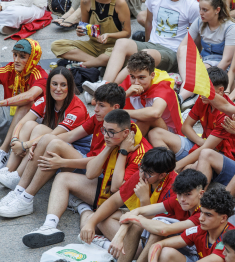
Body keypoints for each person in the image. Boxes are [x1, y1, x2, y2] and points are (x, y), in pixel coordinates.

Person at [19, 110, 152, 247]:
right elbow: (90, 173)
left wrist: (123, 152)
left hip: (128, 203)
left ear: (125, 133)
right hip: (109, 189)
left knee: (95, 223)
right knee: (63, 178)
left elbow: (116, 188)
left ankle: (86, 211)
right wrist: (108, 148)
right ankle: (49, 226)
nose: (105, 135)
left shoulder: (139, 152)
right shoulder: (114, 138)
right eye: (104, 130)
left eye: (110, 132)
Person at [0, 83, 125, 218]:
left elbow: (97, 164)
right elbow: (70, 135)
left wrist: (63, 162)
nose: (95, 109)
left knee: (55, 145)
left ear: (115, 108)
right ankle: (19, 190)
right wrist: (37, 143)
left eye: (101, 105)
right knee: (48, 138)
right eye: (53, 84)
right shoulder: (98, 118)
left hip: (96, 174)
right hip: (86, 162)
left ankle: (26, 198)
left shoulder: (119, 131)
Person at [23, 147, 174, 248]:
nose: (142, 175)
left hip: (151, 234)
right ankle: (83, 212)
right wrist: (91, 223)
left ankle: (97, 229)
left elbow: (151, 226)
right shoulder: (143, 174)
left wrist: (144, 199)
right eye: (142, 169)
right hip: (132, 216)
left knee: (134, 248)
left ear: (162, 175)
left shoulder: (174, 187)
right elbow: (115, 200)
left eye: (148, 173)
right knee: (90, 224)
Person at [0, 67, 89, 209]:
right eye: (54, 84)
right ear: (49, 86)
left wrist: (25, 145)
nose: (58, 89)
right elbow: (23, 122)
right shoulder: (46, 99)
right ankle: (10, 171)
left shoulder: (76, 108)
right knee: (30, 124)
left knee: (41, 130)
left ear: (70, 86)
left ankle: (19, 178)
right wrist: (15, 139)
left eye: (63, 85)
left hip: (75, 155)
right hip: (52, 146)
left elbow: (53, 136)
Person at [81, 0, 199, 92]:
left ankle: (106, 90)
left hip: (172, 53)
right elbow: (148, 23)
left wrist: (190, 64)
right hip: (153, 45)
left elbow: (197, 36)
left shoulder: (192, 6)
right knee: (122, 43)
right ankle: (104, 83)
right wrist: (148, 44)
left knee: (144, 54)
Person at [149, 67, 235, 172]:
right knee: (155, 133)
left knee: (189, 168)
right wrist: (200, 141)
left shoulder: (227, 114)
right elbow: (185, 127)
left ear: (220, 90)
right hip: (203, 144)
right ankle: (169, 165)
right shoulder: (203, 99)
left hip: (222, 155)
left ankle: (171, 170)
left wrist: (177, 166)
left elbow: (207, 149)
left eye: (206, 89)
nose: (201, 93)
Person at [107, 169, 207, 262]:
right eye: (179, 194)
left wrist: (134, 218)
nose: (182, 199)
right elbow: (139, 210)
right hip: (180, 245)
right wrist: (120, 234)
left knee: (157, 231)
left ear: (201, 194)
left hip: (196, 257)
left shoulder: (204, 213)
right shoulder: (179, 200)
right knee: (138, 223)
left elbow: (164, 230)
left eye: (188, 194)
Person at [147, 187, 235, 262]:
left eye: (208, 215)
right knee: (166, 253)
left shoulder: (233, 237)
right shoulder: (198, 230)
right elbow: (158, 244)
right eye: (201, 212)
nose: (201, 218)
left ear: (223, 218)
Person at [177, 0, 235, 109]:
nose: (200, 12)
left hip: (220, 67)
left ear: (217, 10)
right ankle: (189, 88)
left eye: (205, 10)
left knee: (201, 68)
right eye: (200, 9)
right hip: (203, 61)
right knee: (183, 49)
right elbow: (183, 45)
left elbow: (226, 61)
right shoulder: (199, 21)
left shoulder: (230, 27)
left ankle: (181, 96)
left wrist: (205, 73)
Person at [0, 39, 47, 169]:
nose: (16, 60)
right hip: (12, 118)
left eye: (22, 57)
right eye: (15, 55)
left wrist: (2, 103)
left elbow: (30, 96)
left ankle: (3, 152)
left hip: (34, 124)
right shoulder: (10, 68)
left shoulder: (40, 75)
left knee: (26, 103)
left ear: (32, 58)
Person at [50, 0, 131, 69]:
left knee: (111, 57)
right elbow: (85, 27)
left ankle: (93, 63)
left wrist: (108, 35)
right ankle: (98, 63)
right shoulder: (86, 0)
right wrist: (80, 31)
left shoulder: (119, 1)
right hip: (93, 46)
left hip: (113, 47)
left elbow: (127, 33)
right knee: (56, 45)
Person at [118, 52, 183, 136]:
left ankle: (126, 147)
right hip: (141, 127)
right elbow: (101, 101)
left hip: (168, 134)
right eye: (133, 77)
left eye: (141, 78)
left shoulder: (162, 87)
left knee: (148, 118)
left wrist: (121, 113)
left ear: (152, 75)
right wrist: (125, 94)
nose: (136, 82)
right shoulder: (130, 81)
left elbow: (155, 113)